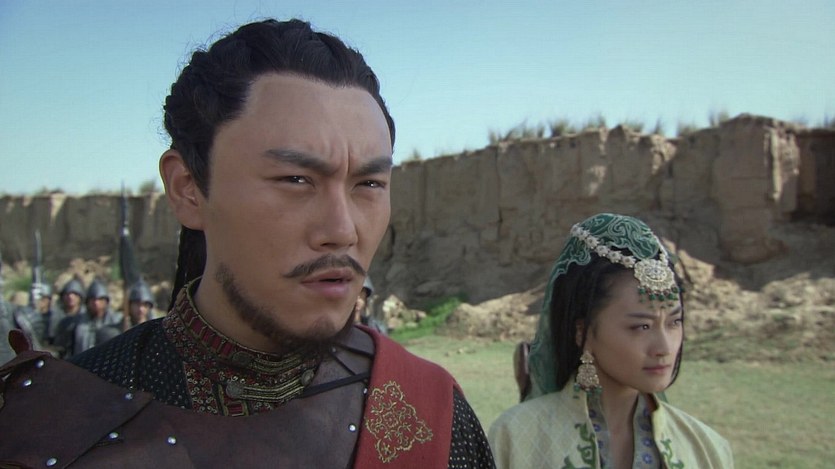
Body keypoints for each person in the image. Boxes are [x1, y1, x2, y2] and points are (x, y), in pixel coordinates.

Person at [0, 19, 494, 468]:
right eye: (296, 179)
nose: (343, 230)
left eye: (368, 184)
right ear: (188, 188)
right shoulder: (54, 423)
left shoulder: (430, 414)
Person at [488, 213, 733, 468]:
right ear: (582, 332)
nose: (664, 348)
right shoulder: (514, 439)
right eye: (641, 326)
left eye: (674, 322)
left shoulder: (707, 449)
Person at [56, 278, 124, 358]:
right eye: (93, 299)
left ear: (106, 301)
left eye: (100, 299)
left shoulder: (117, 321)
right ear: (87, 302)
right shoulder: (74, 323)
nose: (96, 303)